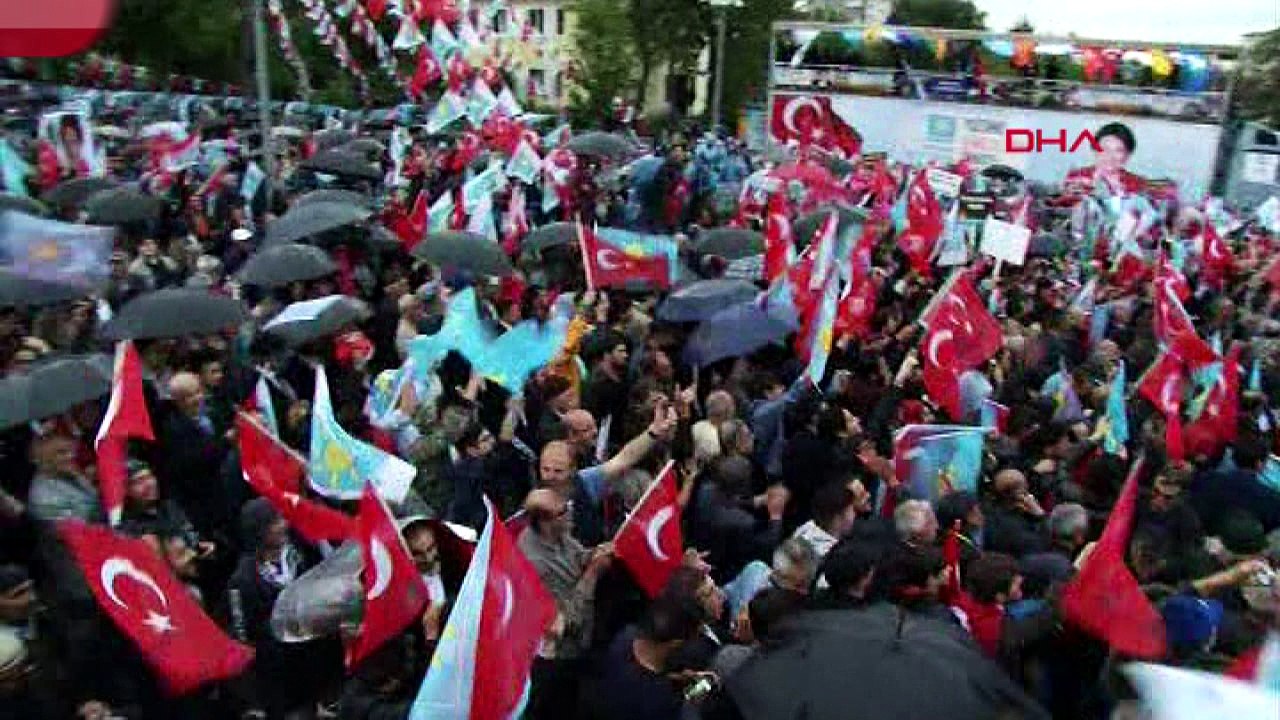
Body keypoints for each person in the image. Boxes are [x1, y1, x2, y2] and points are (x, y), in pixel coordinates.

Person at [519, 488, 615, 720]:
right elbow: (563, 622)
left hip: (584, 639)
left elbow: (576, 556)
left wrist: (594, 554)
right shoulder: (534, 563)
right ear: (544, 521)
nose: (570, 512)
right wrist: (592, 574)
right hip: (562, 658)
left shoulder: (560, 535)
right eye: (563, 511)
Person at [583, 595, 704, 720]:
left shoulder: (625, 635)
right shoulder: (659, 699)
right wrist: (696, 693)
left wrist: (675, 677)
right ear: (676, 643)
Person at [1063, 121, 1146, 197]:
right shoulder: (1076, 177)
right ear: (1094, 150)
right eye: (1104, 149)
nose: (1110, 156)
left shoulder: (1139, 184)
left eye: (1118, 150)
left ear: (1128, 155)